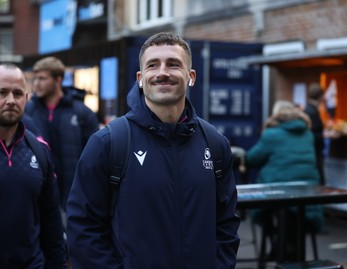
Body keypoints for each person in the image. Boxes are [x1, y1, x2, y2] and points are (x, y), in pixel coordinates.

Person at [66, 32, 241, 268]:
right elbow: (83, 229)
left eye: (173, 64)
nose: (162, 73)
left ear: (191, 77)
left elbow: (227, 222)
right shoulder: (108, 143)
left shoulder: (214, 143)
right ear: (140, 77)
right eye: (152, 65)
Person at [0, 64, 67, 268]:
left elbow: (51, 223)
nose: (10, 100)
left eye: (17, 93)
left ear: (26, 99)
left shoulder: (39, 150)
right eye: (2, 92)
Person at [245, 100, 324, 261]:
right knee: (292, 212)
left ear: (277, 115)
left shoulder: (271, 134)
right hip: (309, 194)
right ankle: (287, 248)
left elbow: (252, 158)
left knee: (267, 209)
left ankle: (277, 244)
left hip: (280, 196)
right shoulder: (307, 134)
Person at [25, 56, 99, 211]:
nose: (36, 84)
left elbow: (95, 157)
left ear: (58, 79)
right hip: (38, 195)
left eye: (42, 78)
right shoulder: (28, 112)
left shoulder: (81, 112)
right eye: (35, 79)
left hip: (74, 195)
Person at [304, 83, 326, 185]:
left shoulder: (309, 109)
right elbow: (313, 132)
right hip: (315, 151)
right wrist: (324, 135)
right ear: (320, 96)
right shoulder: (312, 111)